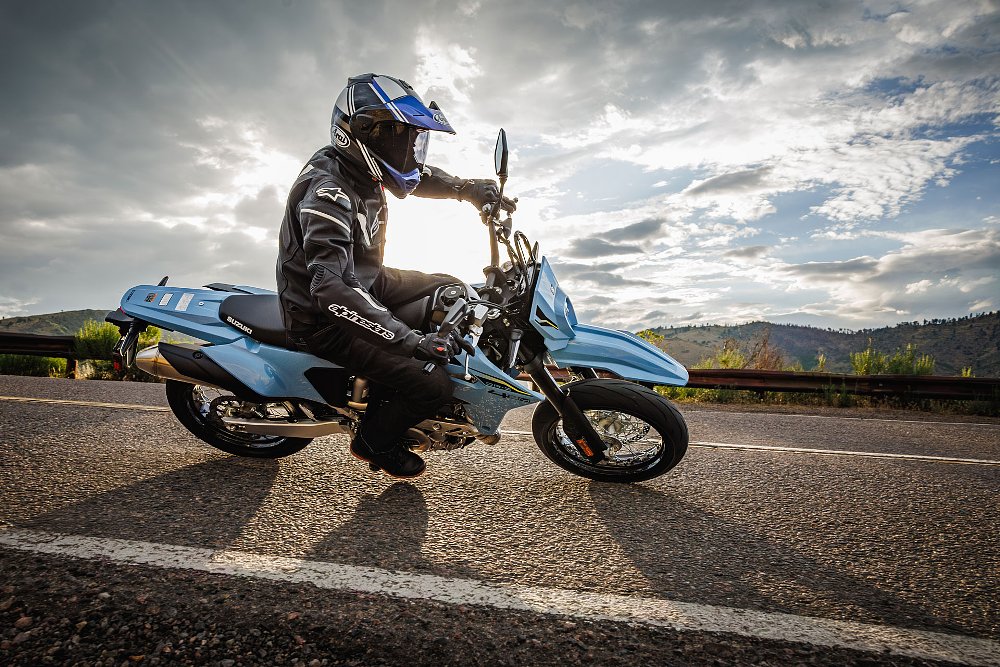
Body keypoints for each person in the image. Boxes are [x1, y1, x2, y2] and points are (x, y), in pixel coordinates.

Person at [276, 73, 515, 479]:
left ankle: (395, 382)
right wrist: (410, 341)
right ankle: (373, 441)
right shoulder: (328, 191)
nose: (408, 151)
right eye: (398, 138)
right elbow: (330, 286)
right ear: (362, 134)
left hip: (367, 278)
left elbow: (419, 177)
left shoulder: (360, 167)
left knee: (451, 286)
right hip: (321, 318)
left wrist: (467, 189)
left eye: (412, 140)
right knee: (431, 385)